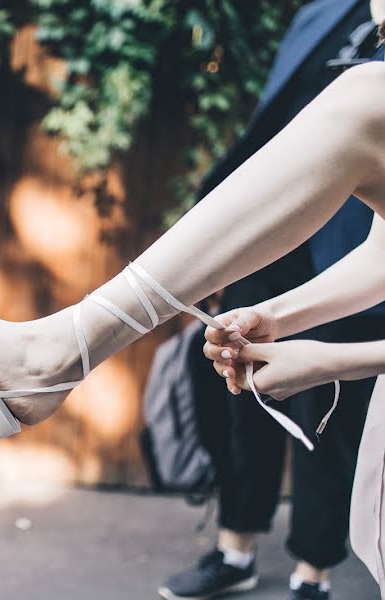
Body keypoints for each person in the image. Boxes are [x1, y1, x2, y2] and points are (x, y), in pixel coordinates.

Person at [0, 5, 385, 598]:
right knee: (241, 419)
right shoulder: (322, 18)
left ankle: (50, 357)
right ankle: (52, 361)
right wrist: (280, 316)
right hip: (292, 249)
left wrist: (336, 361)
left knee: (365, 96)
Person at [162, 2, 385, 599]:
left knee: (328, 419)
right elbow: (271, 130)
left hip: (355, 243)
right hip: (273, 245)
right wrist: (215, 252)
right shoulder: (323, 10)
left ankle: (313, 573)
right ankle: (235, 551)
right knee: (239, 392)